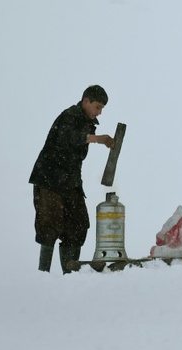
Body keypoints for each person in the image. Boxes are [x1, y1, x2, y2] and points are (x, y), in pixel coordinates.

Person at [29, 85, 115, 273]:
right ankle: (42, 274)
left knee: (78, 224)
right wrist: (97, 138)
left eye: (102, 109)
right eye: (97, 107)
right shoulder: (69, 116)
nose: (99, 112)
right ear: (86, 101)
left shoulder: (87, 122)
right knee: (49, 224)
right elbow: (70, 137)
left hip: (70, 182)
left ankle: (70, 276)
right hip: (49, 179)